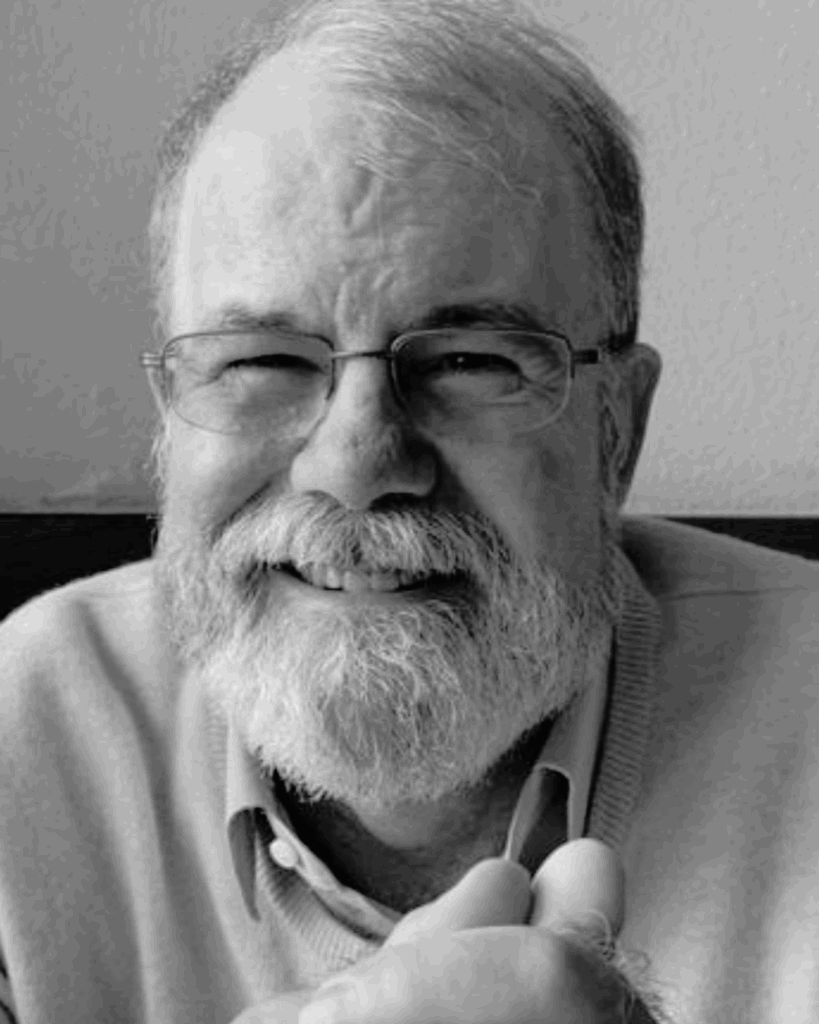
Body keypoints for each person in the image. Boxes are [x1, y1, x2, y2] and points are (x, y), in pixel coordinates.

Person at [1, 0, 817, 1021]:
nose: (356, 463)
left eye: (472, 361)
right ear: (172, 408)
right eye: (258, 360)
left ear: (619, 426)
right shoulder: (20, 738)